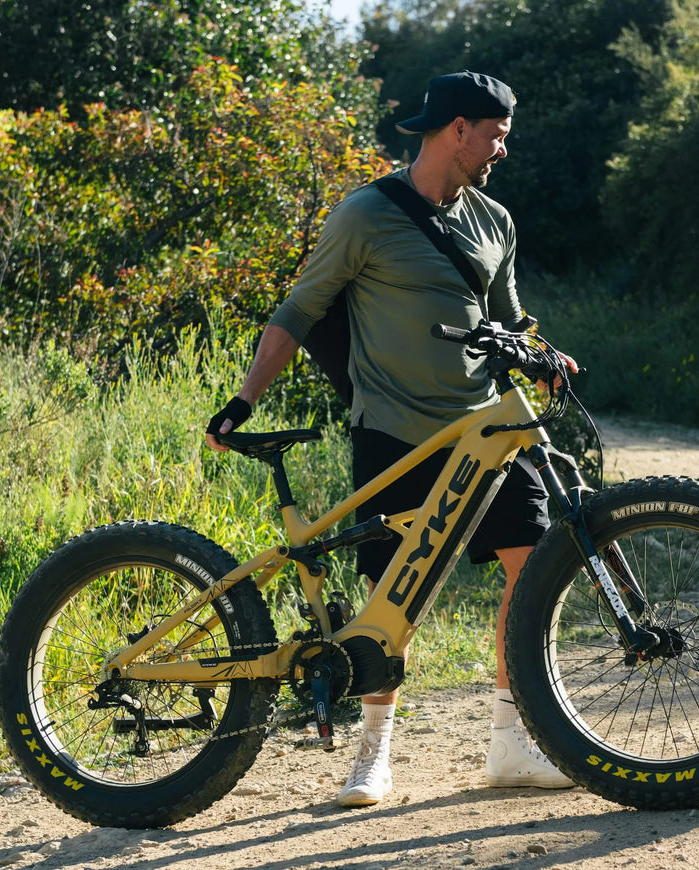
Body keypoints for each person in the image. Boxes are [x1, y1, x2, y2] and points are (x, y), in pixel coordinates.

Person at [205, 70, 579, 808]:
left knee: (532, 571)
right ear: (458, 130)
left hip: (487, 430)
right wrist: (244, 399)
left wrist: (545, 350)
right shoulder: (366, 215)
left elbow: (509, 315)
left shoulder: (494, 221)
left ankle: (513, 741)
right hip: (396, 430)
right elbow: (301, 309)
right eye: (496, 134)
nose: (503, 148)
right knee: (390, 601)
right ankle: (371, 758)